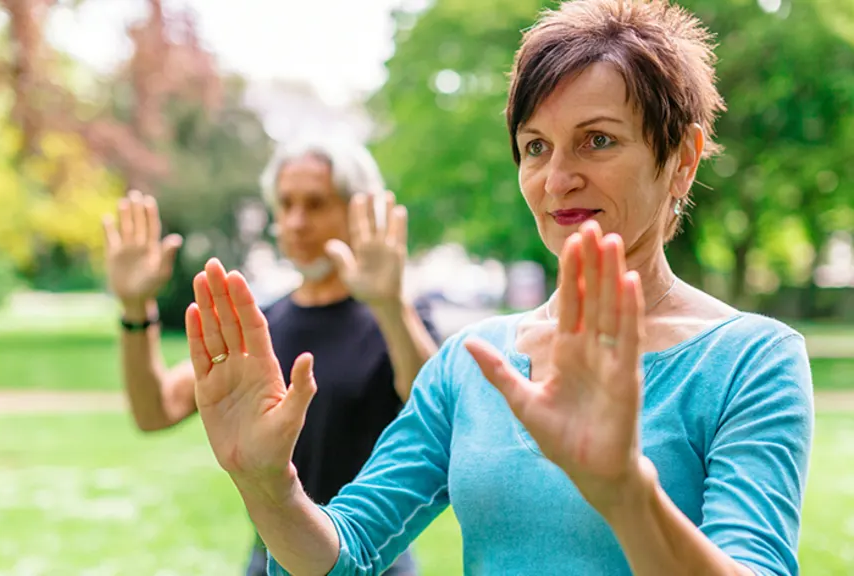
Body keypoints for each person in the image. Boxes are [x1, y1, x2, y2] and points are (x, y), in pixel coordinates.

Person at [184, 1, 814, 574]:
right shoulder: (471, 363)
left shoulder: (749, 361)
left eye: (598, 140)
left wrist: (626, 493)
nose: (558, 178)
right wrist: (269, 487)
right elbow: (346, 553)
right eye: (535, 147)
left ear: (682, 156)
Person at [101, 137, 439, 576]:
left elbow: (435, 406)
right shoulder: (263, 325)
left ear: (359, 211)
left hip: (374, 559)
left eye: (316, 204)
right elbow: (155, 411)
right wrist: (134, 309)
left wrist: (390, 305)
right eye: (286, 204)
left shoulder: (398, 319)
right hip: (271, 560)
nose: (296, 222)